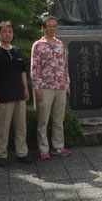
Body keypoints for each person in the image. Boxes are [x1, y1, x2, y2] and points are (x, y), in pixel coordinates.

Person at [0, 21, 32, 166]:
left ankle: (22, 153)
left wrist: (26, 89)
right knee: (2, 129)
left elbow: (22, 71)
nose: (7, 34)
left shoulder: (17, 51)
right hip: (3, 97)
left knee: (21, 127)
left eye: (10, 31)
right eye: (4, 31)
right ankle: (1, 155)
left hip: (19, 95)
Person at [31, 16, 71, 159]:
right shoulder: (38, 45)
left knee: (58, 119)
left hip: (60, 86)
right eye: (49, 26)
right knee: (43, 120)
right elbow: (35, 69)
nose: (52, 28)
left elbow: (64, 66)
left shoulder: (60, 44)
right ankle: (43, 149)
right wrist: (37, 88)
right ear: (43, 28)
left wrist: (67, 84)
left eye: (54, 26)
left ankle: (58, 147)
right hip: (45, 87)